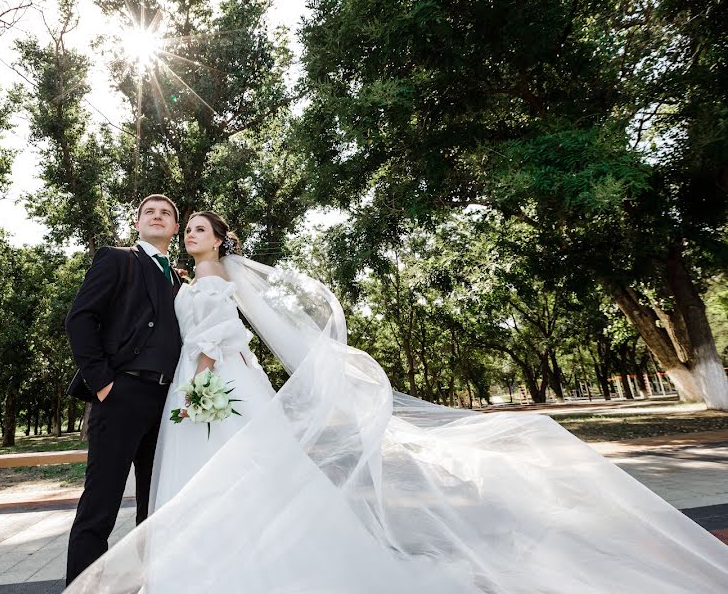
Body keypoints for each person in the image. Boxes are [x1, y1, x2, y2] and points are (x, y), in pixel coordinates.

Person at [66, 211, 728, 593]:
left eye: (193, 226)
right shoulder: (158, 268)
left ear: (215, 238)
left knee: (213, 476)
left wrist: (206, 369)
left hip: (208, 384)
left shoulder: (206, 274)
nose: (185, 233)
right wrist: (107, 380)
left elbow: (220, 329)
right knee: (174, 488)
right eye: (182, 226)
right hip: (169, 389)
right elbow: (105, 320)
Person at [63, 195, 183, 586]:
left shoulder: (180, 280)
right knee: (100, 508)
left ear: (176, 228)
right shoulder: (117, 259)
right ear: (137, 223)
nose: (158, 216)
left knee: (155, 510)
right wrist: (103, 385)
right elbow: (80, 319)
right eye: (150, 211)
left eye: (166, 213)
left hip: (167, 405)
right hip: (121, 395)